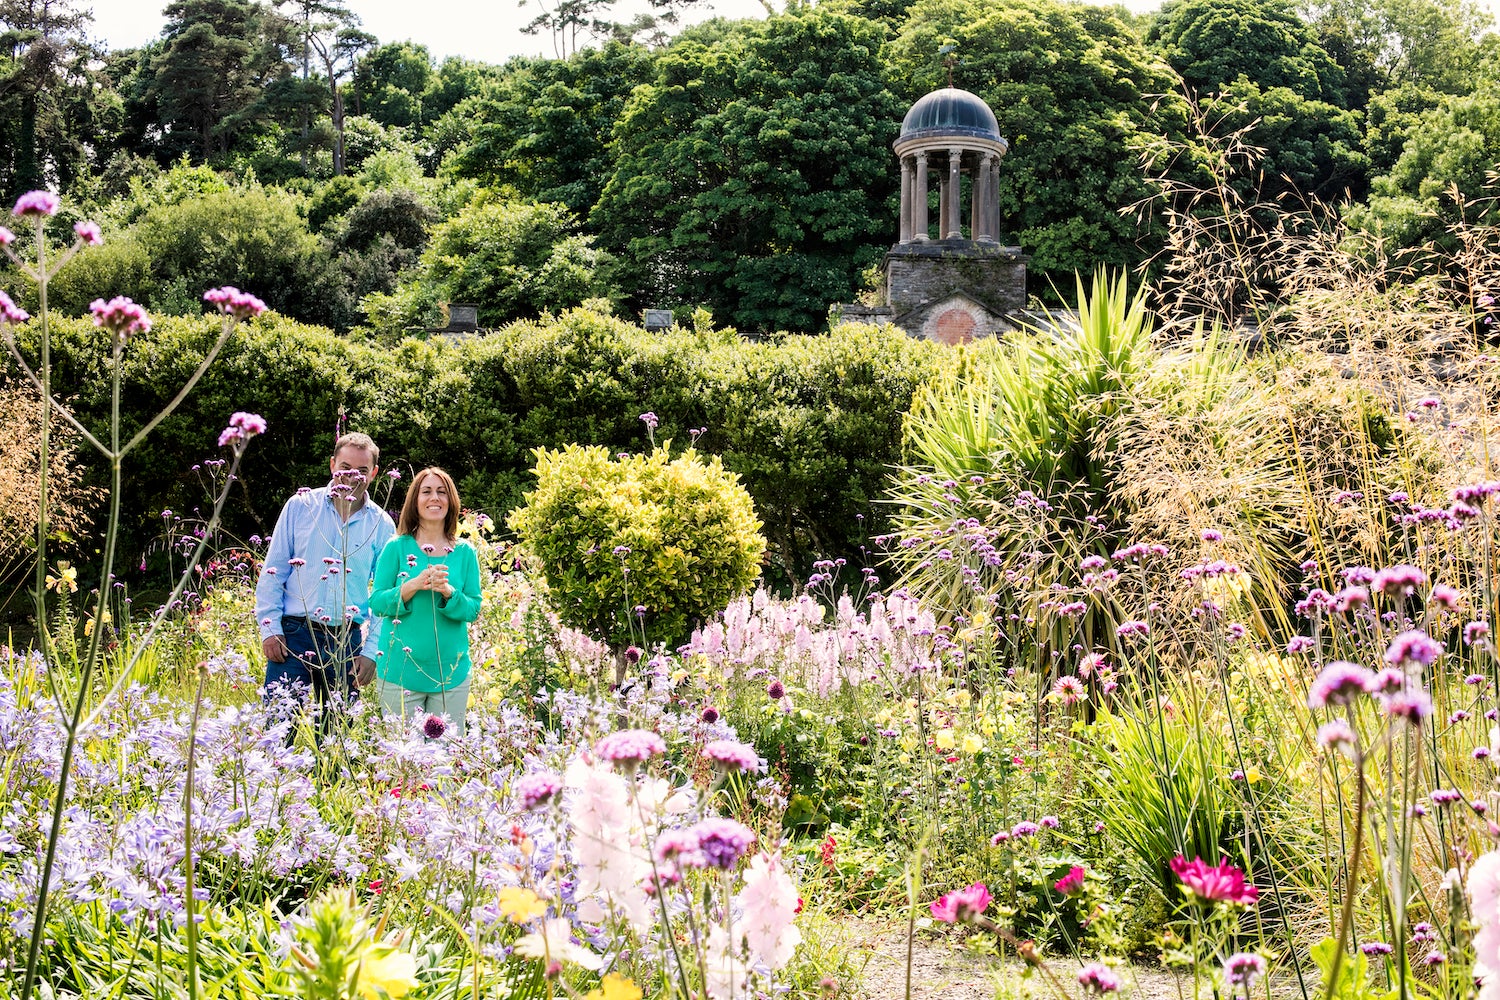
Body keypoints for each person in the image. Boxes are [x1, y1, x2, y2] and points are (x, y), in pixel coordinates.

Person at [255, 432, 396, 721]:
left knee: (335, 740)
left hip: (346, 642)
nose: (352, 476)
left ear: (375, 473)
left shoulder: (381, 524)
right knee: (276, 731)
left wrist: (372, 652)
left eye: (362, 471)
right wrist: (270, 629)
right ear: (332, 465)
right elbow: (274, 570)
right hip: (293, 636)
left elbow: (385, 598)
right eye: (345, 468)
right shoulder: (300, 506)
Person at [369, 467, 482, 737]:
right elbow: (377, 602)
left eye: (442, 492)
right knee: (405, 763)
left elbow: (473, 608)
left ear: (451, 501)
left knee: (444, 764)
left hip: (450, 676)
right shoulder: (396, 547)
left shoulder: (465, 553)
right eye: (427, 491)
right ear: (415, 501)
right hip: (399, 673)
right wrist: (412, 586)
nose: (435, 498)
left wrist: (449, 593)